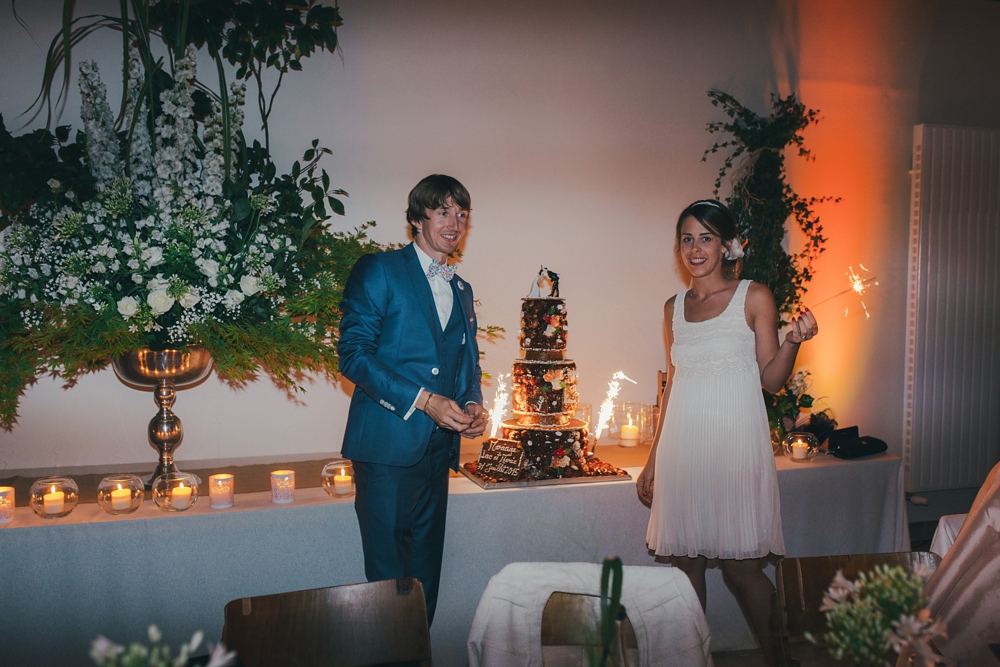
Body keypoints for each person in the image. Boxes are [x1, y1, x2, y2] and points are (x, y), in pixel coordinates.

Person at [637, 199, 818, 666]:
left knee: (742, 569)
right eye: (687, 238)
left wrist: (792, 341)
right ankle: (692, 660)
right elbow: (672, 385)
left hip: (736, 449)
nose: (696, 249)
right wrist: (653, 459)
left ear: (726, 245)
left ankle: (782, 659)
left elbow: (772, 381)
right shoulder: (672, 307)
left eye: (706, 238)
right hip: (684, 450)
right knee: (686, 565)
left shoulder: (753, 296)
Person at [338, 174, 487, 625]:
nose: (454, 222)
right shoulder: (379, 269)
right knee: (388, 586)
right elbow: (354, 356)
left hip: (437, 453)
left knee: (425, 582)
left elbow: (466, 365)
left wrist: (474, 403)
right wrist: (424, 400)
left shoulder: (462, 289)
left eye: (462, 214)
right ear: (417, 218)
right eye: (443, 211)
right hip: (385, 450)